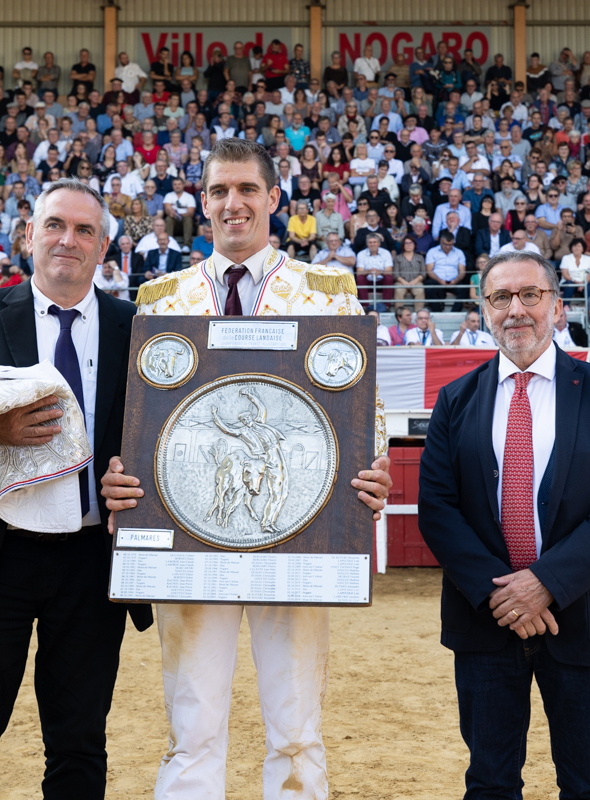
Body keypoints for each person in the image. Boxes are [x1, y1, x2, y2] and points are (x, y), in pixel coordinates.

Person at [102, 137, 391, 800]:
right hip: (189, 530)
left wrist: (373, 469)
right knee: (191, 721)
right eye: (218, 192)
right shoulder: (163, 298)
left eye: (246, 190)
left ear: (274, 199)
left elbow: (363, 408)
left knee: (296, 723)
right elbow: (137, 417)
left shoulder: (326, 292)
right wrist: (120, 473)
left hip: (300, 526)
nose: (233, 204)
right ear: (202, 204)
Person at [0, 178, 153, 798]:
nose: (67, 240)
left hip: (91, 561)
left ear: (105, 248)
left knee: (79, 746)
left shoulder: (139, 330)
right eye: (54, 225)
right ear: (29, 235)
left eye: (84, 230)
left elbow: (162, 442)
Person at [417, 249, 590, 800]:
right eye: (500, 298)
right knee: (490, 783)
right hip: (485, 619)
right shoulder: (455, 400)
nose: (515, 309)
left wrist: (544, 583)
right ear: (484, 310)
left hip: (580, 615)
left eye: (529, 295)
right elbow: (438, 509)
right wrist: (504, 594)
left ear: (556, 306)